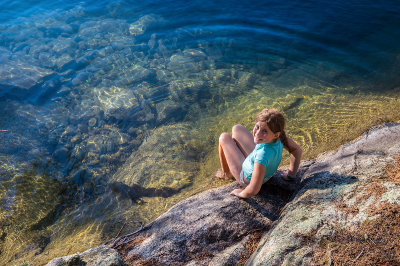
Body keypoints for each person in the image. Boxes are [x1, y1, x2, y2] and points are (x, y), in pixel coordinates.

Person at [215, 108, 302, 198]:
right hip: (261, 170)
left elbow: (253, 190)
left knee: (224, 137)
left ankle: (226, 174)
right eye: (257, 127)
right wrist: (291, 174)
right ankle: (235, 151)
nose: (257, 134)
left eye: (264, 131)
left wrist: (241, 193)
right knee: (237, 128)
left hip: (245, 177)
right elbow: (297, 150)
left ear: (276, 134)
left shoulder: (262, 155)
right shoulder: (280, 138)